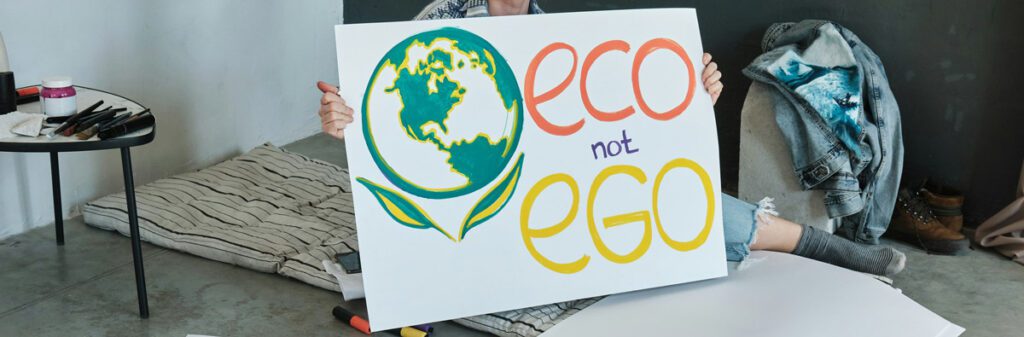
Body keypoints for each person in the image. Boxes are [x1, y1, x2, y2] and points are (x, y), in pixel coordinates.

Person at [314, 0, 905, 277]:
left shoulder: (563, 35)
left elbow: (627, 132)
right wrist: (344, 119)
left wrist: (691, 98)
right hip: (476, 196)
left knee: (680, 206)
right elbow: (393, 123)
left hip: (557, 188)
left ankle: (831, 250)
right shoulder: (441, 22)